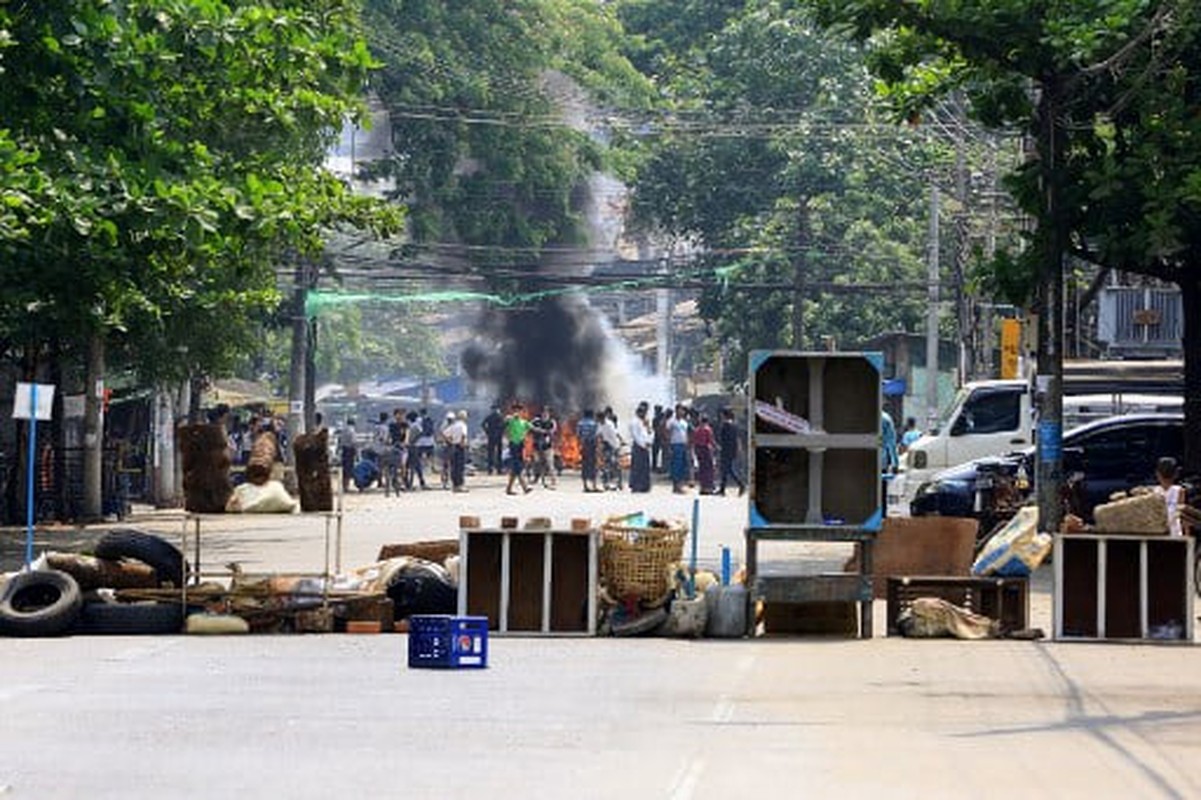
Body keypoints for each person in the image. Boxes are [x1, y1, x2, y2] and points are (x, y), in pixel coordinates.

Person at [504, 403, 533, 495]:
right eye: (515, 410)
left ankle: (509, 489)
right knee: (518, 467)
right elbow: (504, 425)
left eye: (519, 410)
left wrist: (545, 431)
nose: (517, 412)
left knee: (516, 468)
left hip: (521, 445)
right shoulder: (510, 420)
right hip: (513, 445)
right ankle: (525, 487)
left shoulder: (524, 422)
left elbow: (533, 428)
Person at [1154, 456, 1185, 537]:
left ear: (1157, 474)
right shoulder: (1180, 490)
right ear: (1176, 474)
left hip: (1158, 530)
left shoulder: (1153, 491)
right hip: (1174, 530)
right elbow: (1181, 515)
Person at [717, 406, 745, 496]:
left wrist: (721, 448)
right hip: (732, 450)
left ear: (724, 415)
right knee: (725, 470)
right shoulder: (734, 425)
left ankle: (741, 484)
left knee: (728, 469)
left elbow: (723, 439)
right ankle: (722, 489)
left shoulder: (725, 425)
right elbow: (736, 439)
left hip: (726, 450)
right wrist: (737, 449)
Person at [530, 407, 558, 489]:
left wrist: (547, 432)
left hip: (547, 447)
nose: (545, 414)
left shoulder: (551, 422)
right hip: (536, 446)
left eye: (546, 413)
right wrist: (539, 430)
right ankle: (536, 478)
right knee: (536, 462)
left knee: (550, 463)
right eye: (543, 413)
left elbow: (553, 430)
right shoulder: (536, 421)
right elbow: (530, 427)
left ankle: (553, 480)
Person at [628, 402, 652, 493]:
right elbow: (636, 436)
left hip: (645, 446)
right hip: (638, 446)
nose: (644, 414)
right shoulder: (634, 422)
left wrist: (649, 441)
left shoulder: (644, 422)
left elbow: (648, 433)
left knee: (645, 467)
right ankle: (636, 485)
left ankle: (644, 485)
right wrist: (643, 444)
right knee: (637, 467)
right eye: (642, 412)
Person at [444, 410, 470, 493]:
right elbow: (463, 435)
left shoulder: (454, 425)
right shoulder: (463, 425)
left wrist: (450, 441)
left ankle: (455, 485)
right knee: (460, 467)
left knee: (454, 466)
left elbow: (444, 433)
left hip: (453, 446)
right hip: (460, 446)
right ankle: (460, 485)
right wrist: (462, 443)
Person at [576, 409, 601, 492]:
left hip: (584, 446)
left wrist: (580, 444)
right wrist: (598, 447)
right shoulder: (594, 424)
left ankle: (585, 486)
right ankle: (594, 486)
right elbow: (596, 435)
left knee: (585, 465)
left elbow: (578, 435)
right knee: (593, 465)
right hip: (592, 445)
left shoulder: (580, 423)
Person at [599, 408, 623, 490]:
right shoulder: (600, 425)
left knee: (615, 465)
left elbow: (614, 436)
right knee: (605, 466)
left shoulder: (609, 425)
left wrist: (615, 447)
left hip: (613, 446)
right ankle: (606, 484)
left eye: (600, 419)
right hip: (606, 446)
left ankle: (619, 483)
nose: (600, 421)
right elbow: (599, 434)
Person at [692, 414, 717, 494]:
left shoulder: (696, 430)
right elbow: (711, 441)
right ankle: (709, 487)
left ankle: (703, 487)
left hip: (699, 450)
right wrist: (716, 447)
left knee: (702, 469)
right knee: (709, 469)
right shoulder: (708, 429)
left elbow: (694, 441)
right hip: (706, 450)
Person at [669, 404, 690, 494]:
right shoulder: (671, 422)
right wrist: (669, 446)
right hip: (675, 445)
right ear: (676, 410)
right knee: (676, 466)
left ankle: (680, 485)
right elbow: (667, 433)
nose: (682, 412)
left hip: (683, 445)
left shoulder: (684, 422)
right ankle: (676, 485)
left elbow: (686, 434)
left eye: (683, 410)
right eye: (680, 410)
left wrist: (687, 443)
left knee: (682, 466)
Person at [881, 409, 899, 508]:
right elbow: (891, 443)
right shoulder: (885, 418)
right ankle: (882, 514)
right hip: (881, 461)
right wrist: (895, 463)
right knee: (881, 490)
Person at [482, 404, 505, 475]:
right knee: (499, 453)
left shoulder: (489, 417)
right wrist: (501, 432)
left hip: (491, 437)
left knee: (490, 453)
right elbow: (504, 426)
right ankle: (499, 469)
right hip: (498, 437)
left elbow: (483, 424)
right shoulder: (500, 416)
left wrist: (487, 432)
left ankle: (490, 469)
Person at [337, 418, 357, 493]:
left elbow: (339, 441)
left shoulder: (343, 430)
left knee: (344, 469)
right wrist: (356, 452)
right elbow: (353, 442)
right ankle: (347, 486)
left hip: (344, 450)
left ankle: (343, 485)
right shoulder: (352, 431)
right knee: (349, 468)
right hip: (350, 450)